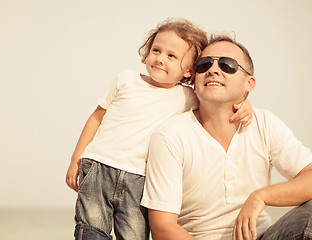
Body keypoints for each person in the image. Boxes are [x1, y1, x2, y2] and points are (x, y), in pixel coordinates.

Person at [65, 19, 253, 240]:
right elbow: (96, 117)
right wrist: (76, 158)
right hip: (100, 166)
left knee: (134, 235)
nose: (160, 59)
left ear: (188, 70)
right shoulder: (126, 80)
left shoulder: (187, 96)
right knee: (91, 231)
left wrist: (244, 103)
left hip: (140, 179)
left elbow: (218, 102)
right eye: (156, 50)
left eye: (172, 56)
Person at [141, 35, 312, 240]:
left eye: (227, 64)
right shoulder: (171, 135)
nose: (213, 70)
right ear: (194, 80)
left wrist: (261, 196)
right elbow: (162, 227)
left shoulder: (264, 123)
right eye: (204, 65)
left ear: (249, 83)